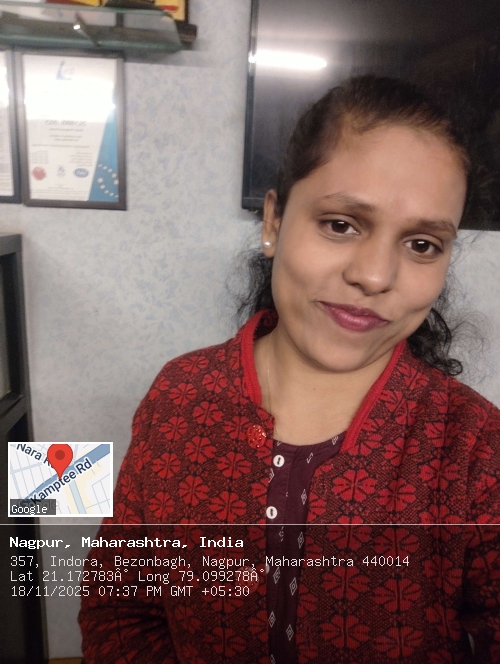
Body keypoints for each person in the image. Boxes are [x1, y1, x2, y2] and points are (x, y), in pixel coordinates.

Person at [79, 75, 500, 663]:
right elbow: (120, 606)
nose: (375, 275)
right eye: (341, 224)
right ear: (273, 222)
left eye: (422, 244)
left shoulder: (474, 444)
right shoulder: (180, 396)